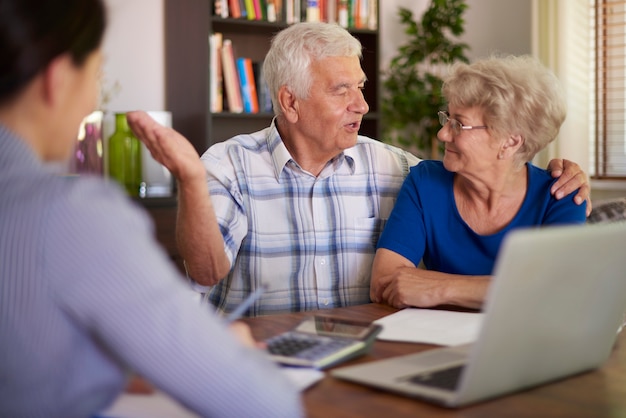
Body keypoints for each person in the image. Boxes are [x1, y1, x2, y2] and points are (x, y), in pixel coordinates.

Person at [128, 22, 590, 317]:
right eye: (342, 90)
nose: (362, 105)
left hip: (361, 355)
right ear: (290, 101)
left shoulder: (396, 166)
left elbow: (489, 173)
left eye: (361, 87)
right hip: (255, 354)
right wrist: (190, 179)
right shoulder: (228, 165)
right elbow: (206, 272)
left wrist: (564, 170)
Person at [0, 1, 302, 417]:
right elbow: (268, 405)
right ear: (57, 79)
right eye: (96, 72)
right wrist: (232, 356)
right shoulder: (72, 216)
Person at [370, 55, 587, 311]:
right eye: (447, 118)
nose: (442, 133)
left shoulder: (560, 194)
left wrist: (441, 288)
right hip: (439, 340)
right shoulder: (425, 181)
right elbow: (384, 284)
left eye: (459, 124)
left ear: (510, 141)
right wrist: (517, 289)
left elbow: (558, 292)